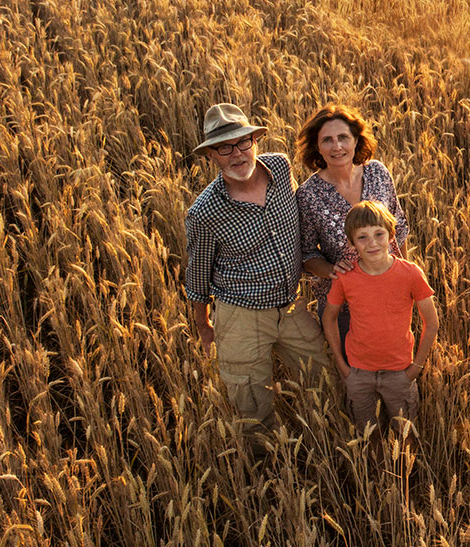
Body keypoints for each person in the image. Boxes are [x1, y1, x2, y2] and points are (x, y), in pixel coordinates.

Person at [183, 103, 331, 434]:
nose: (236, 154)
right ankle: (268, 476)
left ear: (255, 142)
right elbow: (197, 279)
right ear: (211, 156)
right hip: (240, 317)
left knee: (326, 381)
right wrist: (205, 328)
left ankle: (332, 454)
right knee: (253, 411)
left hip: (291, 306)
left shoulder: (280, 168)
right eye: (224, 147)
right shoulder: (204, 213)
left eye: (242, 142)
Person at [293, 105, 410, 359]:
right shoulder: (308, 194)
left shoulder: (377, 173)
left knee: (396, 369)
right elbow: (306, 254)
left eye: (343, 137)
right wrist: (332, 271)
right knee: (357, 378)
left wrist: (406, 278)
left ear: (356, 140)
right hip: (345, 303)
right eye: (327, 140)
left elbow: (398, 229)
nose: (337, 147)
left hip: (389, 292)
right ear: (317, 147)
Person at [321, 200, 439, 433]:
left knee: (405, 435)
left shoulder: (410, 274)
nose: (372, 243)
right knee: (367, 435)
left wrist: (416, 367)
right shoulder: (347, 277)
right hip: (358, 373)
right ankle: (374, 469)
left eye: (379, 234)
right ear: (351, 243)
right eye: (362, 237)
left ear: (391, 235)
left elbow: (432, 323)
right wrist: (342, 366)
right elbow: (329, 318)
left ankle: (402, 470)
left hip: (400, 372)